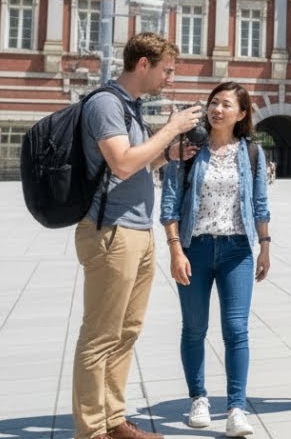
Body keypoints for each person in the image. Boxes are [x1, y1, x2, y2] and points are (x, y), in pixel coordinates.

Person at [74, 33, 203, 439]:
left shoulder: (131, 106)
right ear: (143, 64)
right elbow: (123, 163)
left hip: (138, 230)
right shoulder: (106, 104)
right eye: (167, 70)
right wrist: (172, 129)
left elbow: (137, 162)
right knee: (100, 335)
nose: (169, 78)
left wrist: (167, 155)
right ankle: (91, 431)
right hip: (112, 231)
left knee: (126, 332)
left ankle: (114, 420)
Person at [161, 82, 271, 437]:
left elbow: (260, 202)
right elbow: (170, 205)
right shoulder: (188, 149)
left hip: (237, 250)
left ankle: (236, 407)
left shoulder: (251, 152)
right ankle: (198, 398)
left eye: (225, 104)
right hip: (195, 249)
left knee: (236, 330)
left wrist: (265, 245)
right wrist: (175, 250)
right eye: (213, 103)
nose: (217, 109)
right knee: (194, 329)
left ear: (241, 114)